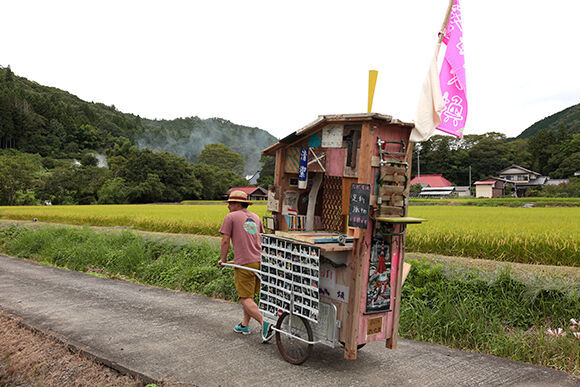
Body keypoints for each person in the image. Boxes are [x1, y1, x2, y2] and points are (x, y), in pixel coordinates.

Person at [218, 190, 271, 341]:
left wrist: (223, 259)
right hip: (260, 261)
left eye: (230, 203)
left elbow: (225, 240)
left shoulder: (231, 217)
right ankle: (244, 324)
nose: (228, 206)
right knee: (251, 296)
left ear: (237, 204)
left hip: (245, 263)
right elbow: (262, 239)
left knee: (244, 298)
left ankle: (264, 322)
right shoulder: (255, 217)